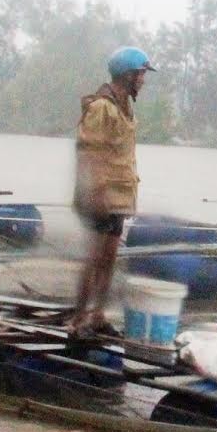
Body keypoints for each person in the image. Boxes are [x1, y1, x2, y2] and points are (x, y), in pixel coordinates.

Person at [70, 45, 155, 335]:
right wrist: (94, 193)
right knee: (93, 259)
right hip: (100, 195)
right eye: (141, 74)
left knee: (108, 259)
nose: (143, 80)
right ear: (128, 75)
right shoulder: (101, 107)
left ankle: (98, 315)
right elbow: (88, 152)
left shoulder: (125, 107)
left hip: (118, 197)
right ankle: (79, 316)